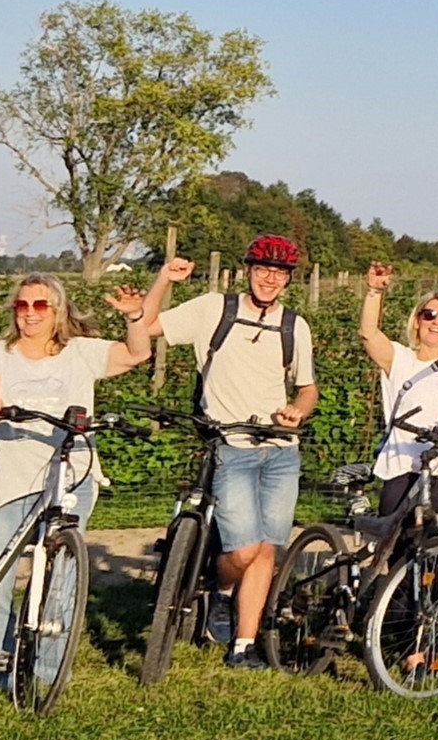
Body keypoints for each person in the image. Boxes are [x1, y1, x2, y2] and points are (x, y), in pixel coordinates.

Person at [135, 236, 320, 671]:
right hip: (231, 443)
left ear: (288, 280)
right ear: (248, 271)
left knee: (268, 550)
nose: (270, 278)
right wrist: (164, 278)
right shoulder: (215, 309)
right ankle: (221, 593)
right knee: (242, 550)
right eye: (262, 269)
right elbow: (145, 325)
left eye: (279, 272)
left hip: (279, 448)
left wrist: (298, 410)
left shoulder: (295, 326)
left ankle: (243, 645)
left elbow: (307, 387)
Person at [0, 272, 156, 689]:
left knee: (61, 577)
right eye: (22, 306)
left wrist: (135, 317)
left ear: (58, 311)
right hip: (11, 478)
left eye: (40, 306)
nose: (30, 314)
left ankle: (48, 675)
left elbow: (136, 353)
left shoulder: (80, 352)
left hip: (70, 474)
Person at [355, 261, 438, 534]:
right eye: (429, 315)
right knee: (403, 559)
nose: (437, 322)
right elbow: (368, 333)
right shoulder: (400, 359)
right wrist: (374, 291)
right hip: (403, 469)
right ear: (417, 322)